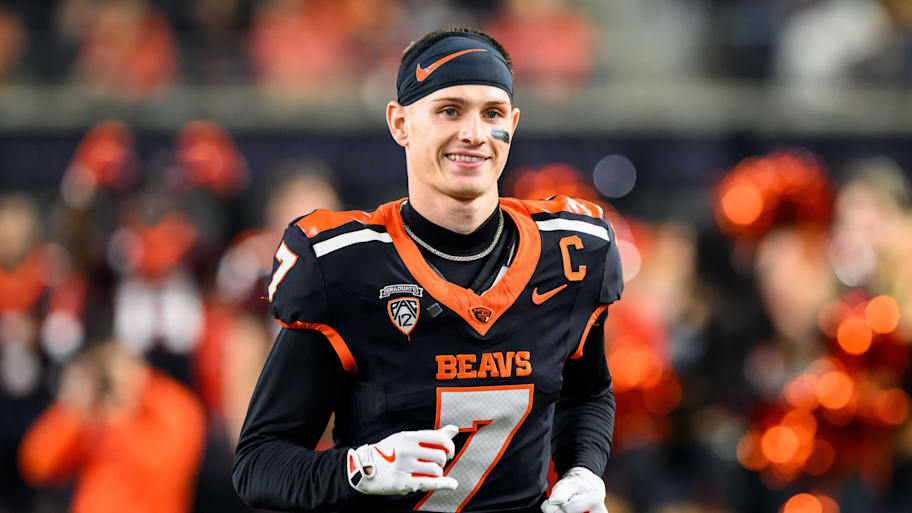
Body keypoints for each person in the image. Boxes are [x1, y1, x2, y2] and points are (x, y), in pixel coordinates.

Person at [233, 26, 623, 513]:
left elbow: (588, 393)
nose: (474, 134)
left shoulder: (570, 253)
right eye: (449, 110)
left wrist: (583, 469)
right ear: (400, 123)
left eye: (492, 113)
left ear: (513, 124)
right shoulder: (344, 264)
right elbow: (259, 463)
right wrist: (360, 469)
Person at [19, 340, 206, 513]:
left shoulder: (173, 404)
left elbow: (166, 470)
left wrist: (120, 416)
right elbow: (37, 464)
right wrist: (73, 407)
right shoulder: (96, 414)